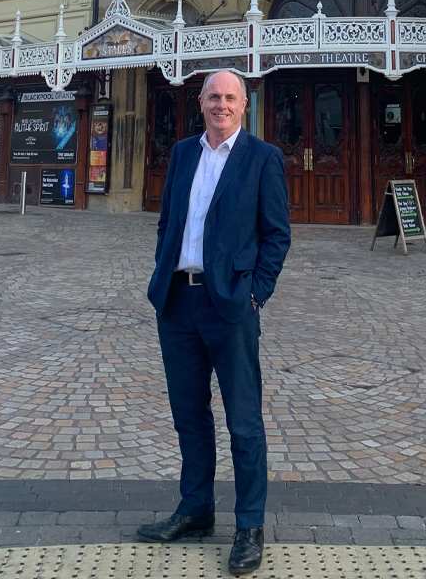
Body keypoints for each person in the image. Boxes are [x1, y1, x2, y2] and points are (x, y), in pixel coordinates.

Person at [141, 70, 291, 575]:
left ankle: (249, 524)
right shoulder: (183, 153)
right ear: (200, 103)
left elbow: (277, 236)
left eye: (230, 98)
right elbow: (168, 221)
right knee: (189, 415)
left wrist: (255, 295)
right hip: (177, 304)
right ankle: (195, 509)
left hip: (230, 307)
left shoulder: (263, 158)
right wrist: (162, 268)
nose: (220, 105)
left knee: (243, 421)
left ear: (243, 106)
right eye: (213, 97)